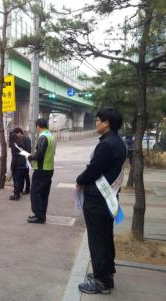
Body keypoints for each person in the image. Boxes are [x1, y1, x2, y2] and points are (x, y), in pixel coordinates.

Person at [77, 108, 126, 294]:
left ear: (106, 123)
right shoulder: (117, 142)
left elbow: (93, 169)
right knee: (105, 238)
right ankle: (106, 273)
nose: (96, 123)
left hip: (98, 199)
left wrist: (80, 180)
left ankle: (102, 282)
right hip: (107, 198)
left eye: (98, 120)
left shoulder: (106, 145)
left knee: (98, 240)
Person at [27, 119, 56, 223]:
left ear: (38, 126)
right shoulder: (51, 136)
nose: (36, 129)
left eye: (36, 127)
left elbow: (40, 154)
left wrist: (30, 157)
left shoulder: (43, 137)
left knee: (35, 193)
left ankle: (38, 216)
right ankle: (41, 215)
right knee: (44, 193)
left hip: (41, 169)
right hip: (49, 168)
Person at [9, 128, 28, 200]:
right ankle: (18, 193)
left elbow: (14, 157)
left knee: (16, 180)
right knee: (19, 179)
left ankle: (16, 195)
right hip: (22, 163)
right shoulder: (20, 143)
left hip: (17, 164)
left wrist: (11, 167)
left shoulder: (14, 146)